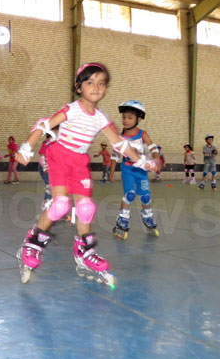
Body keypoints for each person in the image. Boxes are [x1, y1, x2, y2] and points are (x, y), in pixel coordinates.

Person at [14, 63, 156, 288]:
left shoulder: (100, 117)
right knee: (60, 205)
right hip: (59, 156)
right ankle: (32, 243)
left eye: (101, 83)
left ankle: (84, 252)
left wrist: (141, 160)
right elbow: (44, 125)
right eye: (90, 83)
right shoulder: (72, 109)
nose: (96, 87)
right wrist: (26, 148)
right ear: (79, 87)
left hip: (79, 162)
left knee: (86, 207)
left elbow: (119, 143)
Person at [111, 100, 160, 239]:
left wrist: (156, 159)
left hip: (141, 171)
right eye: (124, 117)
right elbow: (115, 155)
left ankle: (148, 217)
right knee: (130, 195)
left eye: (130, 117)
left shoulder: (142, 134)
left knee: (145, 197)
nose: (125, 120)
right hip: (128, 170)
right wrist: (112, 171)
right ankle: (122, 219)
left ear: (138, 119)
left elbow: (152, 147)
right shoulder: (120, 137)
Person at [38, 134, 53, 210]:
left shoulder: (55, 143)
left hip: (51, 168)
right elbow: (41, 154)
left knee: (52, 187)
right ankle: (46, 209)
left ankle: (49, 207)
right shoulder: (47, 143)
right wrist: (45, 166)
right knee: (49, 187)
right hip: (45, 167)